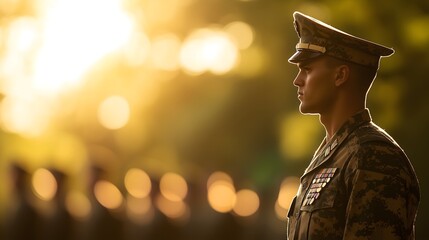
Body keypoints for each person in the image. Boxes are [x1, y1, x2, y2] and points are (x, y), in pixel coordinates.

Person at [286, 12, 420, 240]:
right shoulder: (333, 153)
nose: (297, 80)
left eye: (307, 69)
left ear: (340, 76)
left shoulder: (373, 155)